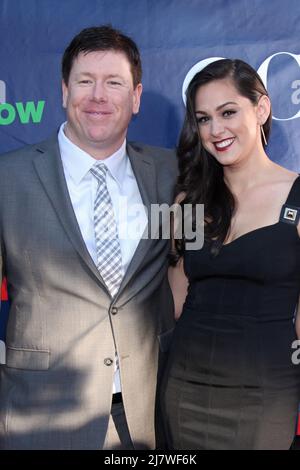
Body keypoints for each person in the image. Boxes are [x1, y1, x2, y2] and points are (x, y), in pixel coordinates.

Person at [0, 25, 177, 450]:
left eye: (113, 82)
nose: (98, 96)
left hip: (147, 416)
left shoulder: (172, 173)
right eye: (85, 81)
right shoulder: (8, 177)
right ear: (64, 91)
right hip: (42, 414)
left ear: (135, 98)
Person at [161, 58, 300, 450]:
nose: (215, 130)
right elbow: (173, 301)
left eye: (228, 112)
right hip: (183, 388)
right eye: (203, 119)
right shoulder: (185, 202)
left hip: (265, 394)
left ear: (262, 108)